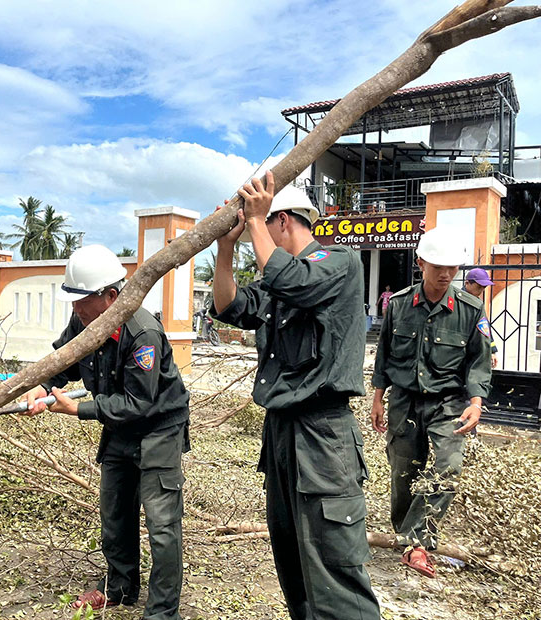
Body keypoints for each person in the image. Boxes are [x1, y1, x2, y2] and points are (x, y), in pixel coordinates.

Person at [211, 171, 380, 620]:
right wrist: (226, 249)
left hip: (323, 435)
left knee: (334, 569)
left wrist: (254, 219)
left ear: (282, 220)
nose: (254, 237)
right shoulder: (276, 282)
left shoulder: (337, 262)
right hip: (282, 433)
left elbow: (297, 283)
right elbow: (229, 306)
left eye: (260, 227)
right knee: (293, 563)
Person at [23, 244, 190, 620]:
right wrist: (43, 385)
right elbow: (62, 358)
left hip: (157, 429)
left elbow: (139, 403)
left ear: (111, 297)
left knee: (162, 525)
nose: (75, 308)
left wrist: (78, 408)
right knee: (115, 513)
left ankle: (163, 612)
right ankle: (119, 588)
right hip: (119, 427)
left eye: (81, 299)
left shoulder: (142, 332)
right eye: (73, 299)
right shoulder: (84, 322)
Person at [370, 228, 492, 578]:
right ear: (420, 262)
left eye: (453, 268)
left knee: (449, 467)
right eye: (438, 266)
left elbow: (478, 361)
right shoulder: (398, 305)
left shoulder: (470, 309)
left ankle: (416, 541)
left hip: (449, 404)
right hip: (405, 402)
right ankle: (410, 541)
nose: (446, 274)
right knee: (403, 473)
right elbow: (385, 355)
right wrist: (378, 397)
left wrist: (477, 402)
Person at [464, 268, 499, 368]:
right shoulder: (455, 301)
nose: (481, 290)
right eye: (479, 286)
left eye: (484, 287)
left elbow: (484, 328)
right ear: (467, 283)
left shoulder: (478, 304)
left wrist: (492, 351)